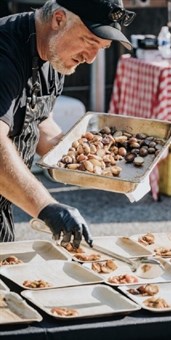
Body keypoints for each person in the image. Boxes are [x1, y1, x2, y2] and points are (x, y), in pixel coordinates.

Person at [0, 0, 135, 246]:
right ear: (59, 19)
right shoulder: (4, 50)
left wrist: (94, 159)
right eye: (90, 42)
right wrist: (46, 205)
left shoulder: (52, 56)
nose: (91, 58)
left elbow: (38, 122)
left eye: (102, 48)